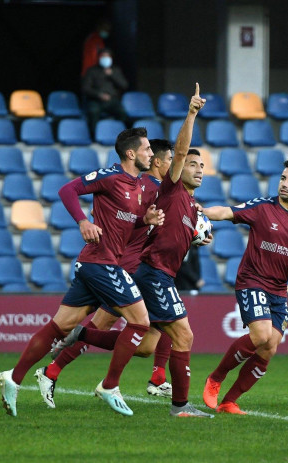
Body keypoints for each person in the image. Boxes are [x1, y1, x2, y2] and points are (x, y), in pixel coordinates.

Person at [54, 84, 214, 418]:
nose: (198, 169)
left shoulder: (190, 202)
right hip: (150, 272)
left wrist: (196, 235)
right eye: (190, 163)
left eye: (202, 166)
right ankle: (179, 406)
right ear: (174, 167)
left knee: (147, 346)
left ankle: (81, 335)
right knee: (183, 334)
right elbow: (180, 152)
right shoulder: (168, 190)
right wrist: (191, 113)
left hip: (152, 273)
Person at [0, 127, 164, 417]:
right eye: (147, 149)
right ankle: (110, 386)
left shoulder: (138, 188)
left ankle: (14, 377)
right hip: (101, 263)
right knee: (140, 323)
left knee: (61, 326)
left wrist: (143, 221)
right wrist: (82, 221)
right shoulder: (110, 176)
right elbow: (67, 190)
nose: (151, 154)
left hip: (95, 264)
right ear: (131, 153)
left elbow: (123, 225)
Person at [34, 138, 176, 408]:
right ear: (158, 161)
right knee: (147, 322)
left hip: (139, 265)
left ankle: (155, 376)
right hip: (128, 266)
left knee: (147, 342)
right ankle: (142, 380)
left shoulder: (154, 188)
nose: (172, 165)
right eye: (170, 160)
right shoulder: (145, 186)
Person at [201, 158, 288, 415]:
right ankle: (215, 378)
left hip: (278, 290)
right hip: (251, 281)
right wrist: (199, 212)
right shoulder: (263, 207)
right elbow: (226, 211)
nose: (284, 184)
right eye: (282, 178)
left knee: (269, 348)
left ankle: (229, 401)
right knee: (260, 336)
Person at [82, 48, 129, 137]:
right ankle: (94, 136)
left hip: (112, 100)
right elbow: (86, 88)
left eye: (108, 56)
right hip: (96, 100)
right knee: (93, 111)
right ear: (99, 58)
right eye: (103, 56)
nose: (105, 58)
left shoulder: (115, 70)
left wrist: (112, 75)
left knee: (122, 112)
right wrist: (99, 95)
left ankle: (120, 137)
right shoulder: (92, 70)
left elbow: (124, 85)